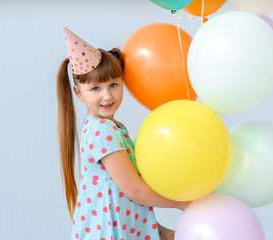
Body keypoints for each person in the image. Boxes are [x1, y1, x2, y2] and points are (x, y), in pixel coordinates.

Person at [56, 28, 189, 240]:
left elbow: (129, 203)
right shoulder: (101, 131)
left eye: (114, 85)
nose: (107, 95)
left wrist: (163, 233)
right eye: (95, 89)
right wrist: (181, 203)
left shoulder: (115, 128)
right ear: (79, 93)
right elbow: (135, 191)